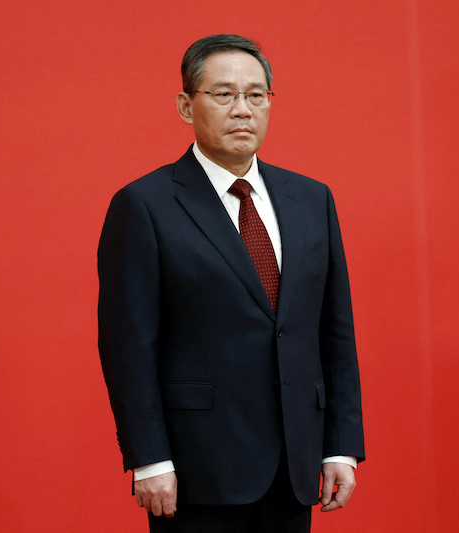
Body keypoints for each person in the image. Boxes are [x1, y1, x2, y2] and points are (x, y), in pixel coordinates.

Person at [98, 34, 364, 532]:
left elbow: (334, 332)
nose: (242, 109)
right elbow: (127, 346)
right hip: (197, 469)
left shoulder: (311, 199)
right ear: (185, 105)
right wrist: (149, 459)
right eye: (223, 94)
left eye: (255, 95)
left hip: (294, 466)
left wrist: (341, 445)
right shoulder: (145, 205)